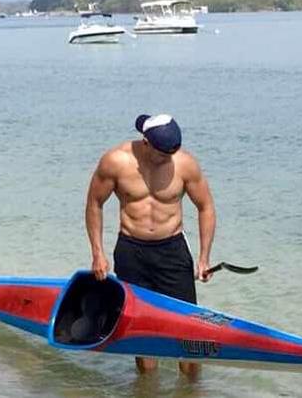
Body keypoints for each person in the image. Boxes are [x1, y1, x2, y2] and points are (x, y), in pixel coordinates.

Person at [85, 114, 216, 376]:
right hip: (131, 252)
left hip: (172, 251)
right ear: (145, 142)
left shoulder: (184, 164)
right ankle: (147, 389)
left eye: (172, 153)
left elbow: (206, 207)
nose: (167, 159)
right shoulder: (116, 162)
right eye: (162, 154)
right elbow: (94, 204)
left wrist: (204, 257)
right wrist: (97, 253)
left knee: (188, 328)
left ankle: (191, 390)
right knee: (141, 330)